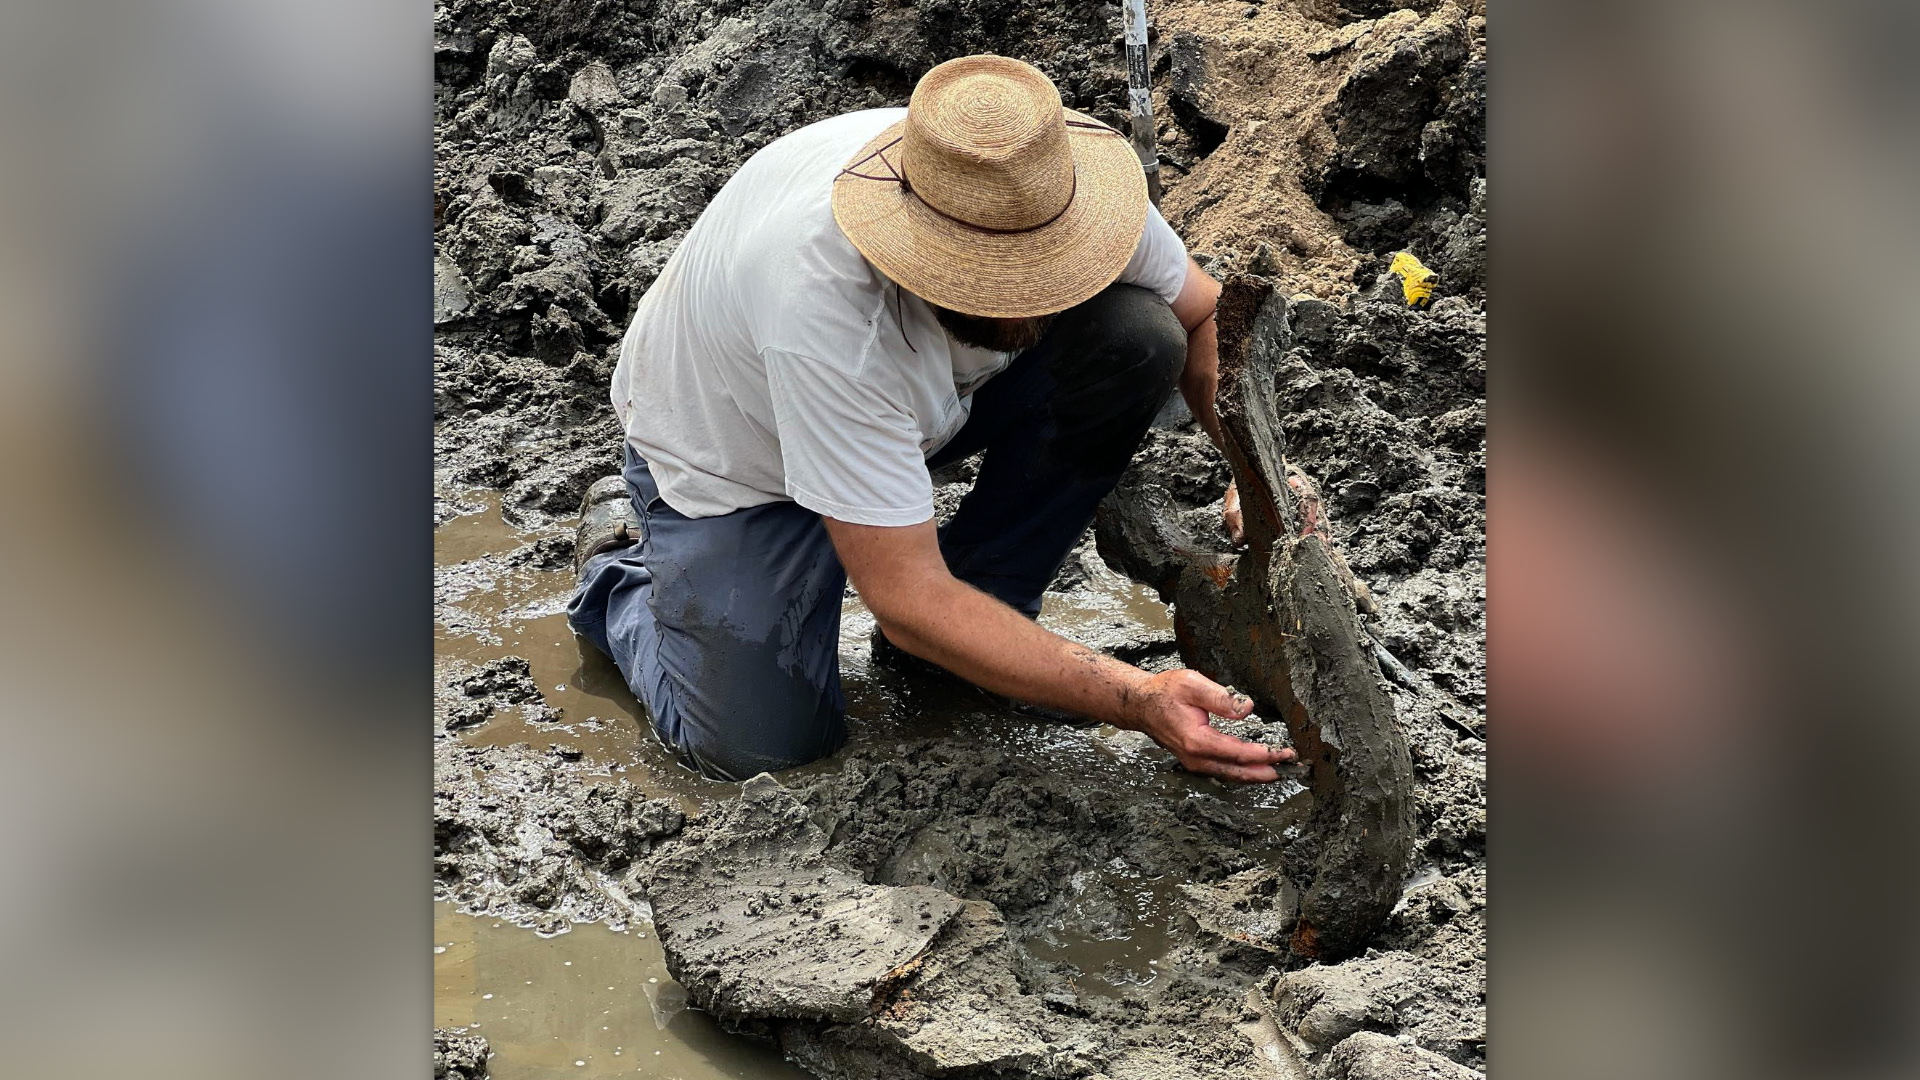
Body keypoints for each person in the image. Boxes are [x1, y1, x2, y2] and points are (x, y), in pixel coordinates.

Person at [568, 55, 1295, 784]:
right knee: (763, 749)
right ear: (918, 248)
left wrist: (1259, 476)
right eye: (988, 280)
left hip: (916, 403)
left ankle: (983, 616)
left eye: (1042, 270)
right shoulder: (825, 311)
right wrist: (1136, 698)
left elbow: (1207, 317)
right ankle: (619, 569)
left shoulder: (1058, 192)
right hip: (741, 458)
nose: (1024, 300)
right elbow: (906, 599)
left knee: (1140, 337)